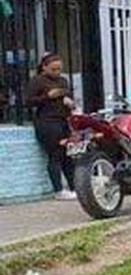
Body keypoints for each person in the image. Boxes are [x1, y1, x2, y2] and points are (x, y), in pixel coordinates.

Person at [24, 53, 76, 200]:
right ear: (44, 67)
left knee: (68, 155)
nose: (57, 72)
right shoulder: (37, 81)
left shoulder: (63, 81)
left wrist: (69, 102)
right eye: (53, 69)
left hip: (63, 120)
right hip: (47, 122)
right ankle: (58, 189)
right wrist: (48, 97)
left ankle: (74, 187)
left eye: (59, 69)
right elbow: (28, 101)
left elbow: (68, 95)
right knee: (55, 154)